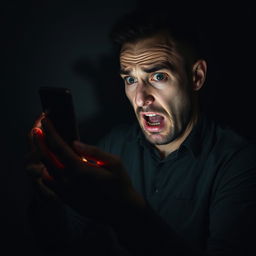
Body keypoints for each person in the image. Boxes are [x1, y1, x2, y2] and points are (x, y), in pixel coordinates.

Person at [26, 10, 256, 256]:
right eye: (131, 79)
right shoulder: (114, 145)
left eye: (158, 76)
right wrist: (52, 197)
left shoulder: (239, 164)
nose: (140, 99)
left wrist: (127, 211)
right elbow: (73, 242)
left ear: (196, 77)